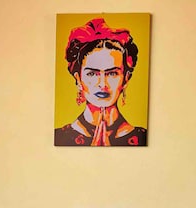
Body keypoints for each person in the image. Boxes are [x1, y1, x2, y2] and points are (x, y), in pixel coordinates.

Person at [54, 18, 147, 146]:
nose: (102, 84)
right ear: (78, 79)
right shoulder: (59, 137)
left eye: (112, 73)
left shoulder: (143, 138)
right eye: (92, 74)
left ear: (126, 78)